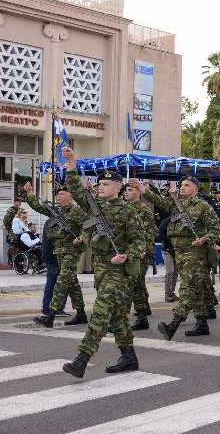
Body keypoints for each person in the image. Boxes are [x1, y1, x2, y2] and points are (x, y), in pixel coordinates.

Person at [60, 148, 146, 378]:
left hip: (119, 271)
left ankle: (82, 359)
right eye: (99, 184)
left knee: (100, 312)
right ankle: (129, 357)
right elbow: (76, 189)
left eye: (106, 184)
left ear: (117, 187)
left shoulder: (128, 211)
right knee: (117, 317)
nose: (101, 187)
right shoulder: (94, 206)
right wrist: (71, 162)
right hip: (101, 269)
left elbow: (141, 241)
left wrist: (127, 254)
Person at [136, 176, 219, 341]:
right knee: (195, 287)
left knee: (187, 288)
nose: (182, 187)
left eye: (187, 185)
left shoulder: (202, 206)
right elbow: (159, 201)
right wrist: (142, 189)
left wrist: (203, 239)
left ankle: (173, 324)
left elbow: (215, 230)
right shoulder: (176, 204)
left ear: (195, 188)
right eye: (181, 185)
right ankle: (202, 323)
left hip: (195, 253)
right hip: (178, 252)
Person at [23, 180, 89, 328]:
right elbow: (38, 207)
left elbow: (89, 227)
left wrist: (82, 238)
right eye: (57, 194)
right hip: (58, 252)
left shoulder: (76, 211)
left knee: (62, 281)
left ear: (70, 196)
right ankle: (81, 314)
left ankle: (50, 316)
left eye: (62, 194)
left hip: (71, 252)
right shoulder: (57, 211)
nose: (58, 197)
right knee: (72, 283)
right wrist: (30, 194)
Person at [122, 181, 158, 331]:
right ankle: (143, 310)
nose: (126, 192)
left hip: (139, 252)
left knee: (134, 283)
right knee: (136, 284)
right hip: (127, 251)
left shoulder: (144, 210)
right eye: (125, 190)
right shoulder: (123, 208)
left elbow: (150, 232)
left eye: (130, 190)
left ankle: (141, 317)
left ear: (138, 192)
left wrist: (143, 250)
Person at [158, 217, 178, 303]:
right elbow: (160, 235)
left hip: (176, 250)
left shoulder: (180, 222)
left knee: (175, 273)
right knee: (170, 271)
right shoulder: (165, 222)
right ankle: (167, 294)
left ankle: (172, 292)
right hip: (167, 250)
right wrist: (171, 241)